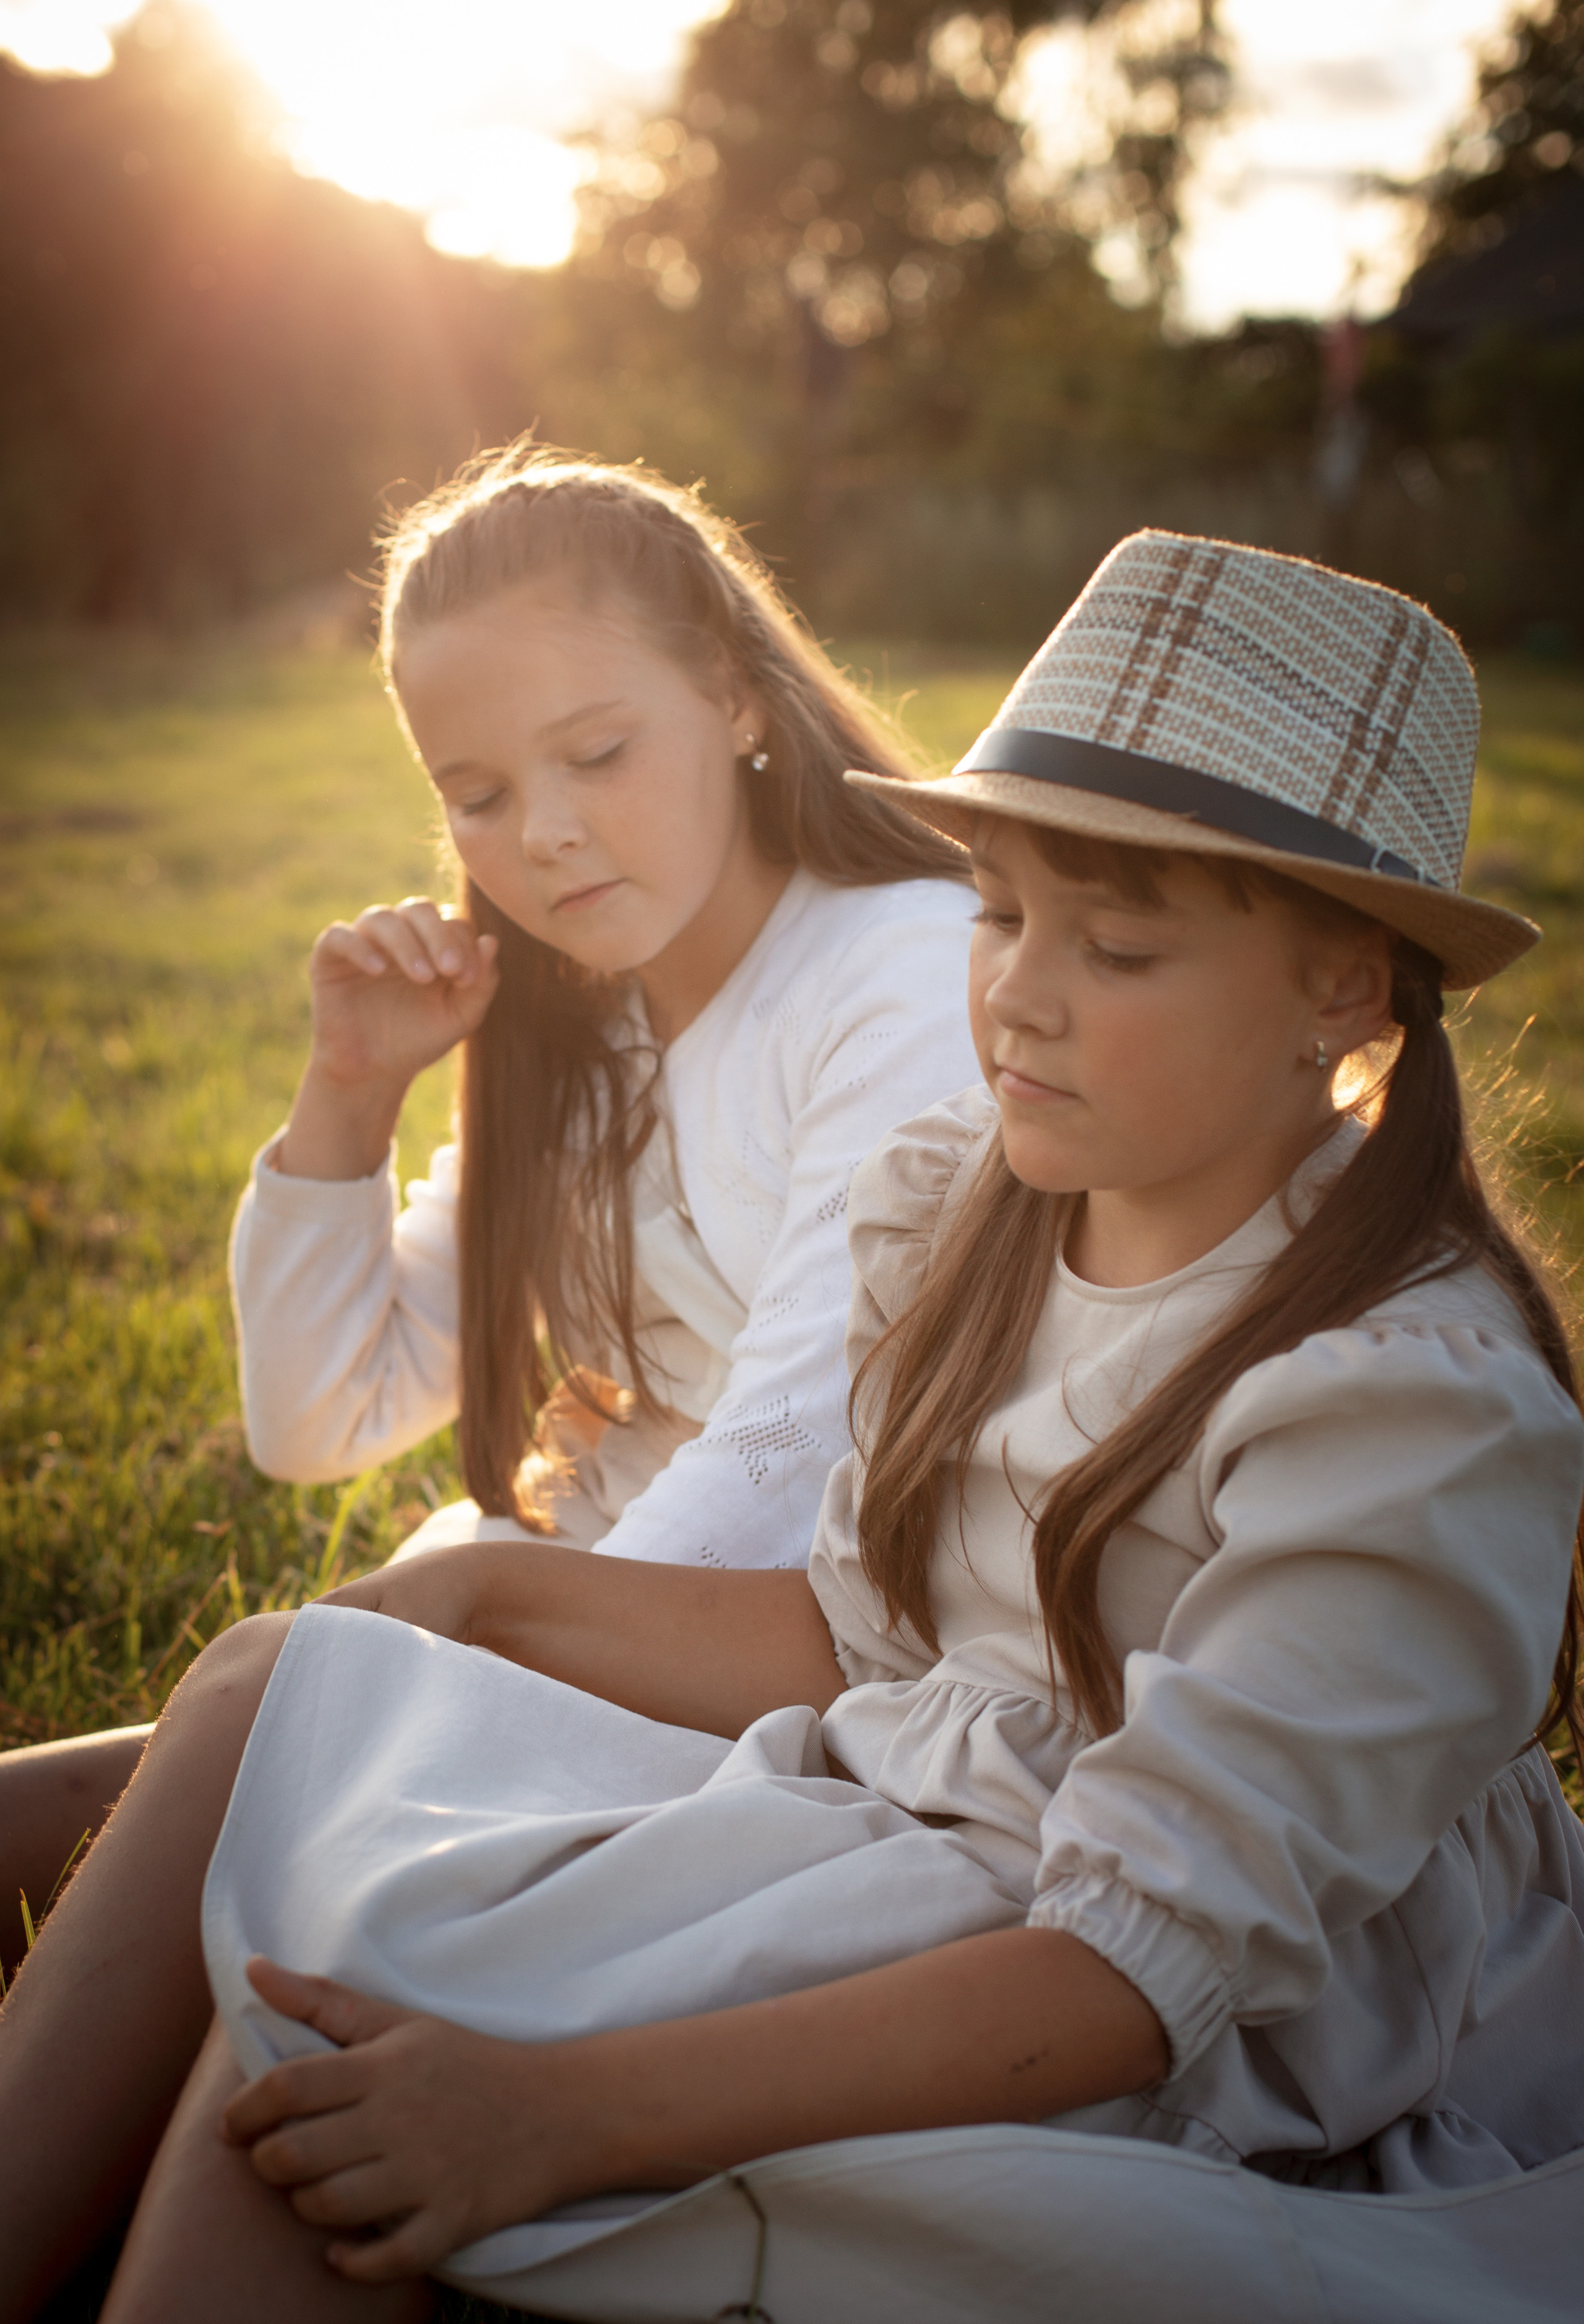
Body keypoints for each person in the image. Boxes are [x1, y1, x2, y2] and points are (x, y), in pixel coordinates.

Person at [6, 533, 1584, 2324]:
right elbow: (857, 1625)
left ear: (1347, 990)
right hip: (899, 1811)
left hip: (1158, 2004)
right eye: (999, 910)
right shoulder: (978, 1206)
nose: (1020, 995)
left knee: (359, 2039)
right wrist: (475, 1603)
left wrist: (557, 2112)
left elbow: (1139, 1962)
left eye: (1119, 945)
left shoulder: (1402, 1403)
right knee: (289, 1741)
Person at [0, 442, 978, 1932]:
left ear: (730, 692)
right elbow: (318, 1419)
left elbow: (788, 1467)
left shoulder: (898, 965)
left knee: (262, 1762)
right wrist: (351, 1088)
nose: (543, 835)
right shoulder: (576, 1024)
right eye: (476, 793)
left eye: (595, 755)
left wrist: (460, 1682)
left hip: (809, 1662)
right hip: (592, 1616)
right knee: (169, 1773)